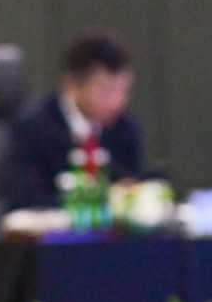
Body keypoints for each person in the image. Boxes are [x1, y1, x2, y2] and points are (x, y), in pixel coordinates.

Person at [9, 30, 143, 209]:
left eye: (123, 91)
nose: (116, 102)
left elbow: (131, 188)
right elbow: (25, 199)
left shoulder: (125, 128)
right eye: (105, 90)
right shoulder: (33, 127)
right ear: (71, 85)